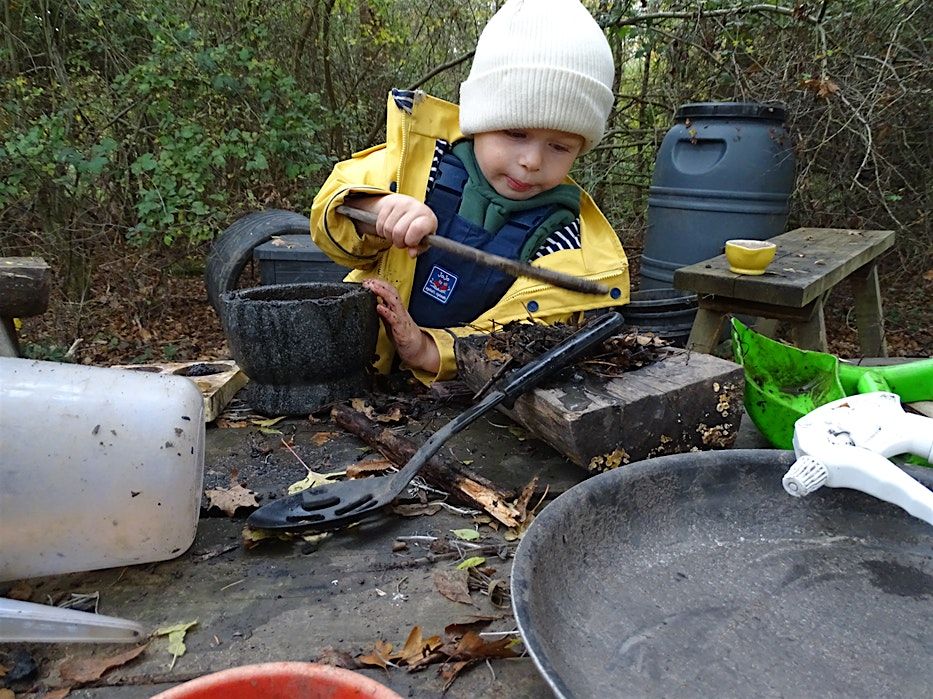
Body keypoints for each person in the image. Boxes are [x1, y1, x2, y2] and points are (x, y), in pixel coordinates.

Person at [310, 0, 629, 384]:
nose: (532, 160)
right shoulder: (417, 164)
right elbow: (330, 211)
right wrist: (378, 209)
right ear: (479, 121)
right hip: (357, 369)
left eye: (559, 147)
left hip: (459, 399)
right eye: (516, 133)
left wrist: (430, 349)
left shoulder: (567, 243)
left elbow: (525, 343)